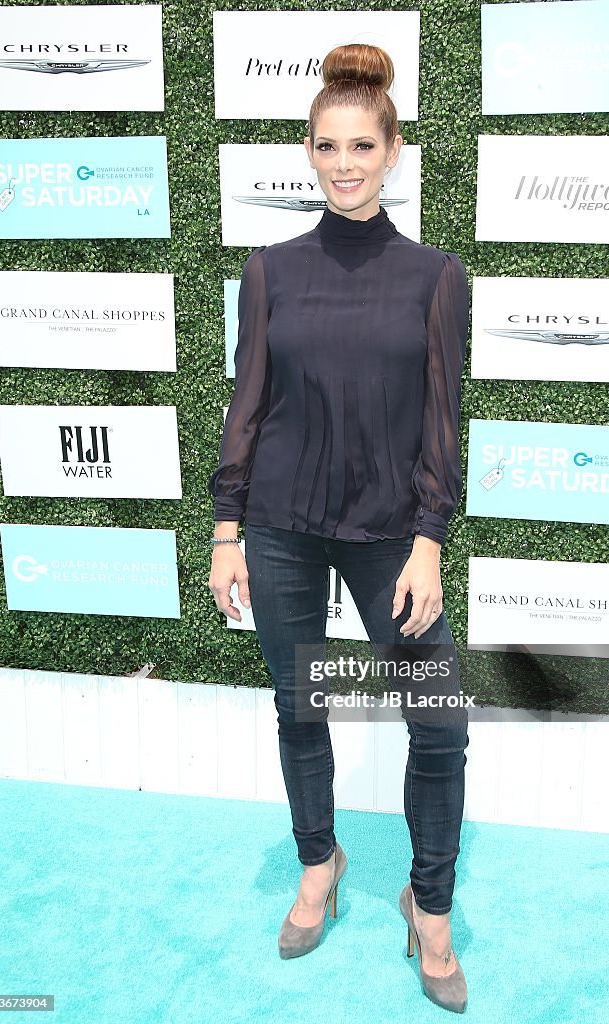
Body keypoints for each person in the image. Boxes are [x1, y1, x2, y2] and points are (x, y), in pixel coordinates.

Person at [208, 43, 470, 1014]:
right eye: (329, 145)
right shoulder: (270, 269)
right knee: (299, 705)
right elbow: (248, 402)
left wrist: (430, 538)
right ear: (310, 154)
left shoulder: (435, 276)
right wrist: (226, 528)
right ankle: (318, 861)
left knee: (438, 725)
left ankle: (429, 904)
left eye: (364, 144)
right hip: (279, 523)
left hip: (388, 533)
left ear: (393, 150)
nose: (346, 161)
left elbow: (443, 419)